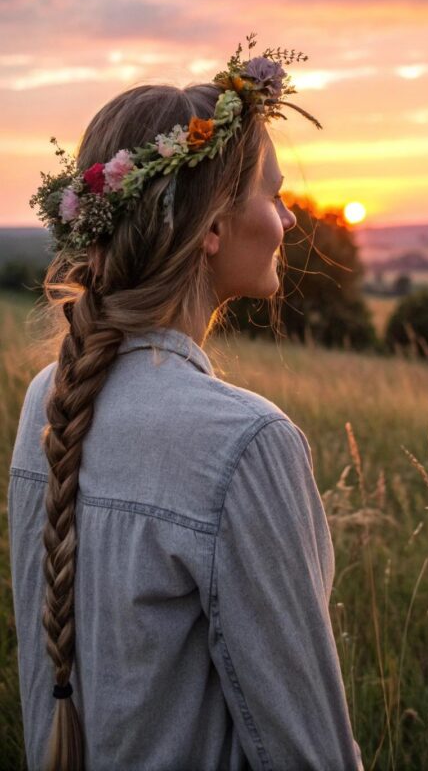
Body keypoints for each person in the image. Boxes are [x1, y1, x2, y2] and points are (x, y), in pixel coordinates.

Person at [8, 40, 362, 771]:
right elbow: (308, 752)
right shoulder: (244, 442)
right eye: (273, 195)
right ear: (210, 228)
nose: (288, 222)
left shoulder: (51, 397)